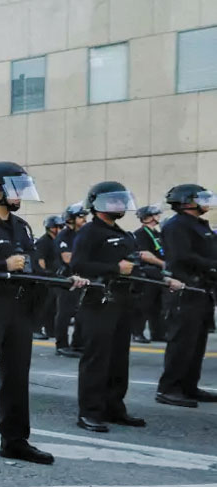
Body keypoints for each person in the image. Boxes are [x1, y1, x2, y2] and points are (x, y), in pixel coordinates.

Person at [0, 163, 87, 469]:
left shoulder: (21, 226)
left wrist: (66, 279)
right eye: (15, 189)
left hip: (19, 310)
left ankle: (14, 441)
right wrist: (2, 265)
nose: (20, 195)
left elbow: (32, 267)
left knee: (16, 378)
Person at [70, 181, 182, 432]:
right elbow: (78, 266)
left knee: (118, 359)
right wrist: (114, 268)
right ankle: (90, 412)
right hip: (98, 303)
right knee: (96, 360)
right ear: (97, 204)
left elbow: (136, 268)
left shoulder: (122, 234)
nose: (119, 205)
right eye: (113, 201)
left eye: (121, 201)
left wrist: (163, 279)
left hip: (123, 302)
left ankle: (114, 408)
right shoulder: (89, 233)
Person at [156, 184, 217, 407]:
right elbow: (182, 256)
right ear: (186, 201)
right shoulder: (177, 225)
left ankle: (189, 386)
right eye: (201, 198)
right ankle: (169, 389)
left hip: (203, 291)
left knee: (197, 342)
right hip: (184, 290)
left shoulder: (200, 225)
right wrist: (213, 265)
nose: (206, 202)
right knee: (181, 342)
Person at [53, 202, 89, 357]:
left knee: (81, 313)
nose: (85, 219)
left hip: (82, 278)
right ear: (71, 219)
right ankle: (61, 345)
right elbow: (67, 258)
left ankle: (78, 344)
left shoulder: (84, 234)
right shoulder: (65, 235)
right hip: (67, 279)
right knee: (65, 313)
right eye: (81, 216)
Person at [131, 205, 167, 344]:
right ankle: (137, 333)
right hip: (147, 272)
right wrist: (162, 263)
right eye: (156, 214)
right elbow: (144, 254)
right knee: (144, 304)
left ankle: (158, 333)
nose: (158, 216)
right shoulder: (140, 234)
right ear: (148, 217)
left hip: (158, 272)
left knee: (158, 305)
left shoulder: (157, 234)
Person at [32, 214, 65, 339]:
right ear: (51, 227)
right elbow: (40, 261)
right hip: (45, 278)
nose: (60, 229)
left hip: (54, 277)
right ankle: (36, 329)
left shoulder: (56, 241)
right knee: (43, 305)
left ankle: (51, 330)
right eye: (58, 226)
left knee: (52, 307)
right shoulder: (44, 241)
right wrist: (46, 273)